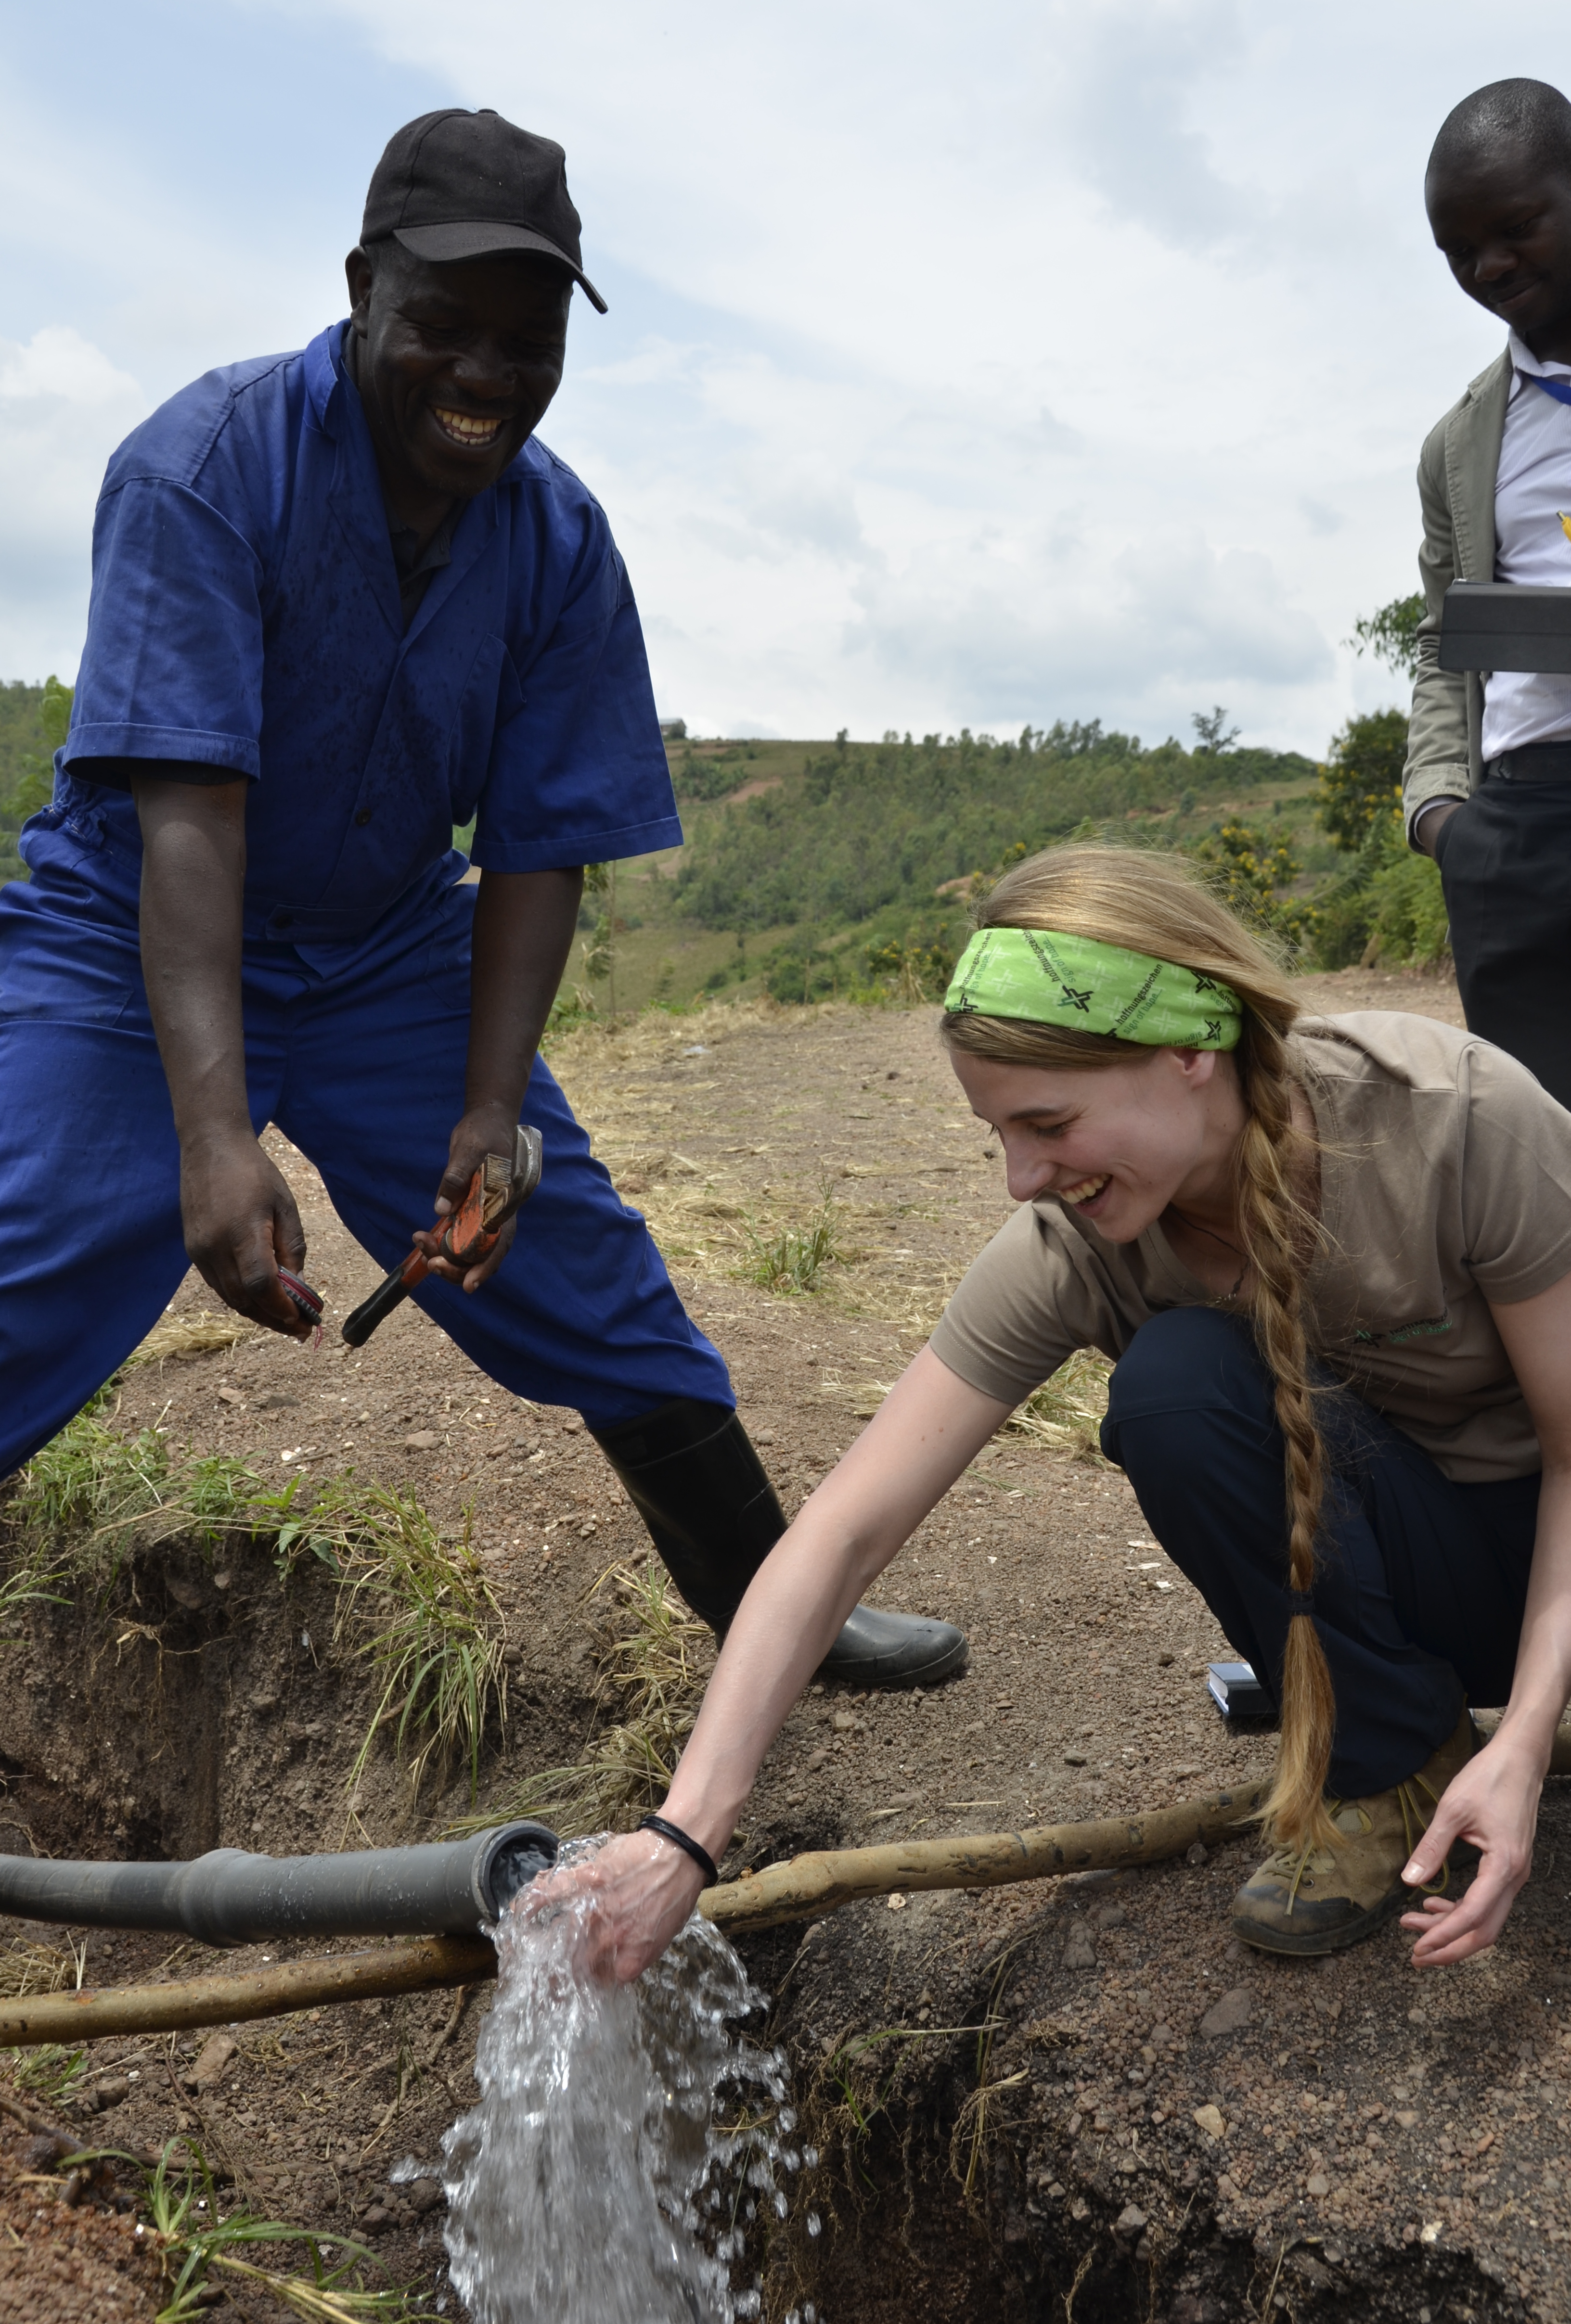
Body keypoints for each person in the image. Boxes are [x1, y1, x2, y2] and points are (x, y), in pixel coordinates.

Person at [0, 106, 965, 1693]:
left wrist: (492, 1108)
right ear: (361, 287)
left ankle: (777, 1622)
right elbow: (186, 819)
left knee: (586, 1265)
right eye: (442, 326)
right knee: (22, 1264)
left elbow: (537, 843)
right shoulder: (203, 469)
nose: (484, 375)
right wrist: (212, 1135)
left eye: (527, 343)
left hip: (389, 943)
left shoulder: (558, 536)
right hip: (136, 939)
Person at [554, 844, 1571, 1978]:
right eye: (999, 1134)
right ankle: (1389, 1762)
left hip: (1550, 1549)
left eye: (1049, 1123)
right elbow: (842, 1532)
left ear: (1191, 1048)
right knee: (1177, 1388)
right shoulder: (1074, 1248)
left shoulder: (1453, 1120)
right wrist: (685, 1832)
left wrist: (1527, 1739)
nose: (1021, 1177)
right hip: (1429, 1578)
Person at [1407, 77, 1571, 1109]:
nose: (1490, 266)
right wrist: (1439, 813)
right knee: (1539, 1152)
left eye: (1515, 227)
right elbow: (1441, 639)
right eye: (1461, 251)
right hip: (1515, 829)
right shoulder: (1461, 443)